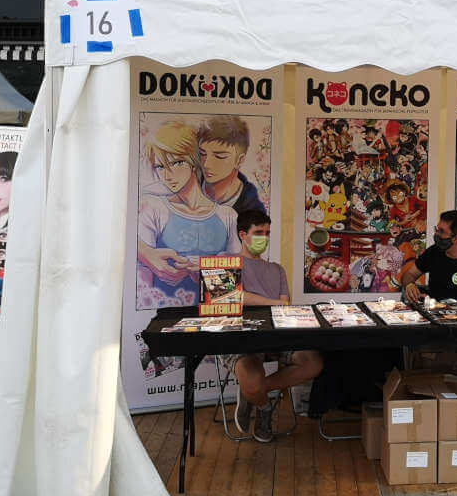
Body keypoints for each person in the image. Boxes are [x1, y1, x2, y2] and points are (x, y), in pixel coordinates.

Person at [226, 209, 323, 443]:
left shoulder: (277, 269)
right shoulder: (227, 263)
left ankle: (254, 396)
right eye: (258, 232)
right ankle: (264, 407)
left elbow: (285, 305)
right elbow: (233, 298)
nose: (264, 237)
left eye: (267, 233)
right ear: (242, 234)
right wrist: (270, 301)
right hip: (240, 340)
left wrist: (255, 298)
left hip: (278, 338)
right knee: (252, 378)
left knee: (313, 364)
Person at [138, 121, 240, 307]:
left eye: (177, 163)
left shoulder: (227, 216)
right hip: (164, 317)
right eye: (160, 167)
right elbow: (143, 285)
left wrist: (207, 269)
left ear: (194, 162)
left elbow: (232, 293)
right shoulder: (153, 208)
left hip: (217, 317)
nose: (167, 175)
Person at [402, 210, 457, 303]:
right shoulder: (433, 252)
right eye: (437, 229)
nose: (436, 234)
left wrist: (438, 305)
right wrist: (409, 285)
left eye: (441, 231)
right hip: (430, 312)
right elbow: (409, 274)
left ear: (456, 238)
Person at [198, 116, 266, 216]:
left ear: (239, 161)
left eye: (219, 156)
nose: (206, 164)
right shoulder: (189, 181)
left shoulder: (252, 209)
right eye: (202, 153)